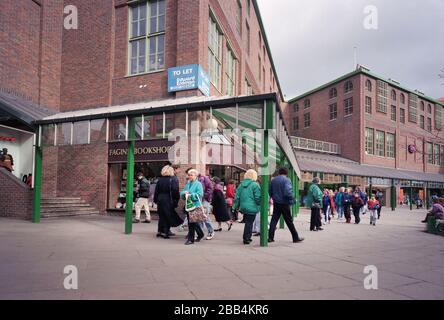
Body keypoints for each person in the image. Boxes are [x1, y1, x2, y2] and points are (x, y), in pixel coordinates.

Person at [268, 167, 304, 243]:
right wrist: (293, 198)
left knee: (274, 220)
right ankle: (295, 237)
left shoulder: (273, 180)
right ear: (286, 173)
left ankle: (270, 237)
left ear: (279, 172)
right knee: (289, 221)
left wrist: (273, 198)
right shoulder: (287, 180)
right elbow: (288, 192)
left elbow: (270, 191)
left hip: (276, 202)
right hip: (284, 203)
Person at [233, 169, 261, 245]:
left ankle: (248, 237)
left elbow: (237, 197)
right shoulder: (255, 185)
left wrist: (235, 206)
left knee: (248, 222)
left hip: (243, 206)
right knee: (249, 222)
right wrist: (259, 204)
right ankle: (246, 238)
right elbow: (258, 197)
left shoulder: (241, 185)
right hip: (252, 207)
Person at [153, 165, 181, 238]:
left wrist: (155, 200)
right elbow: (175, 191)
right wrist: (176, 200)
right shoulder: (173, 179)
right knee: (167, 215)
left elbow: (156, 191)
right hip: (168, 199)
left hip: (160, 199)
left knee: (161, 215)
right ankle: (166, 232)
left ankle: (160, 231)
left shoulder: (160, 179)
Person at [181, 169, 205, 245]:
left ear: (195, 176)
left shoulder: (198, 184)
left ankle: (191, 239)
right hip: (188, 205)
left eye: (191, 175)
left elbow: (200, 194)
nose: (190, 176)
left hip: (195, 205)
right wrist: (184, 193)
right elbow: (182, 192)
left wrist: (191, 195)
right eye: (189, 175)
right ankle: (200, 234)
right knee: (192, 221)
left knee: (192, 222)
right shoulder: (188, 183)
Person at [198, 172, 215, 240]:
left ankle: (211, 231)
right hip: (198, 200)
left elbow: (210, 188)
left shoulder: (204, 179)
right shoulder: (193, 181)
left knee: (204, 216)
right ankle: (200, 233)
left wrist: (205, 195)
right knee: (199, 217)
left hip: (204, 199)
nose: (189, 176)